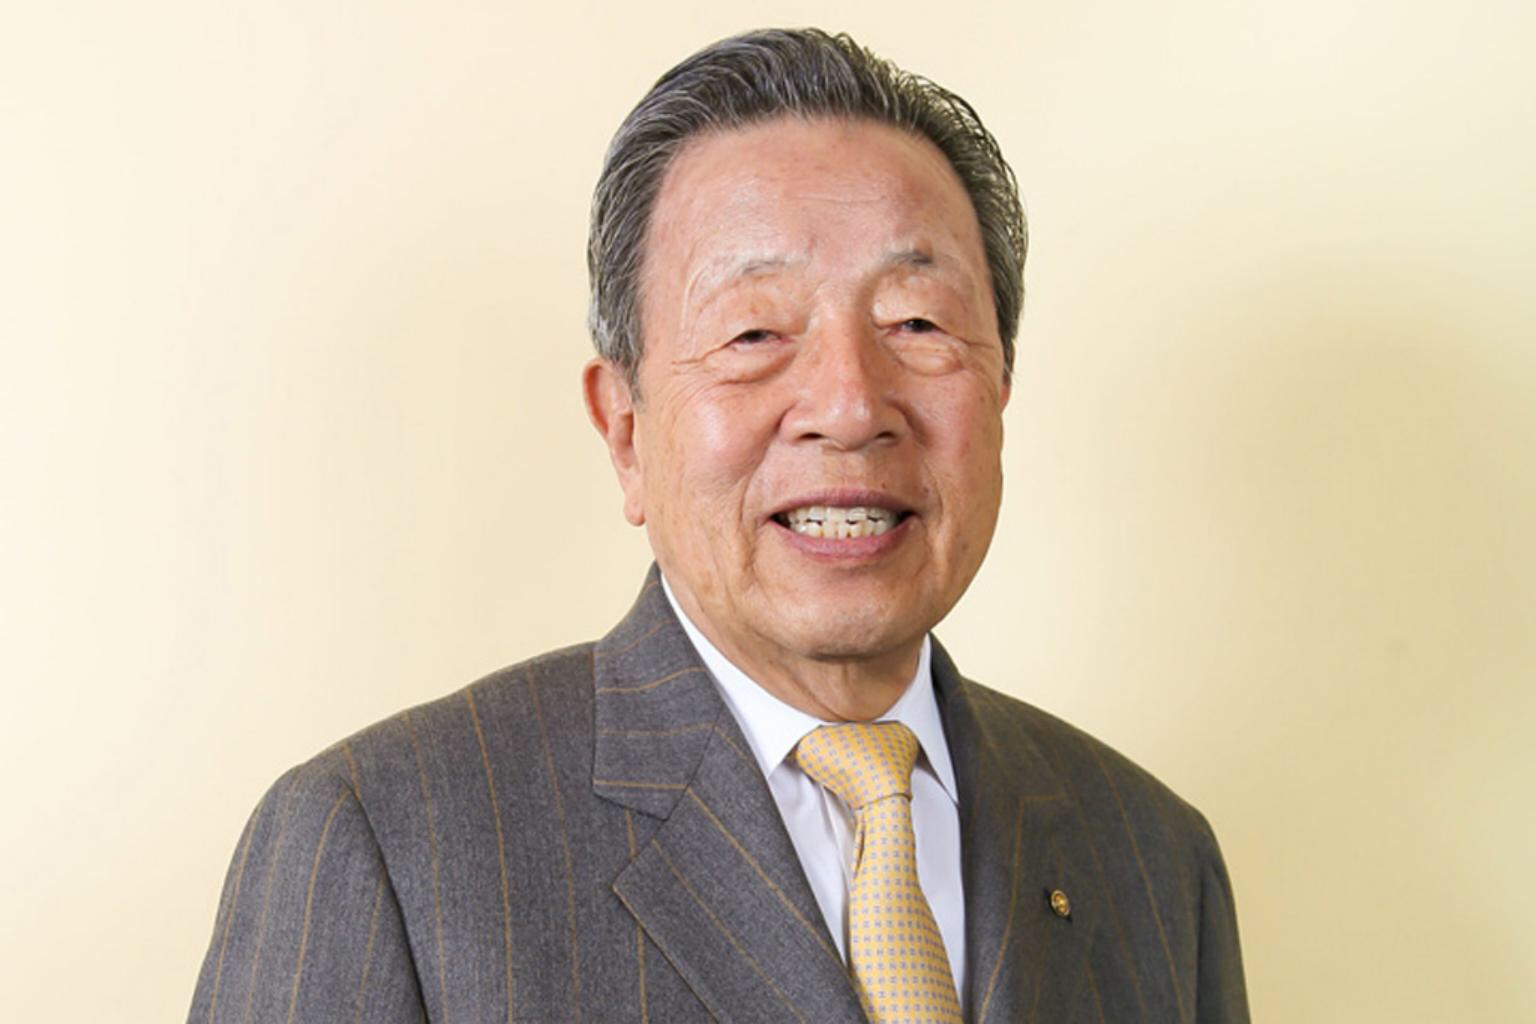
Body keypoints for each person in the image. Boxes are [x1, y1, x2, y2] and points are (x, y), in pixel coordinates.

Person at [189, 28, 1249, 1024]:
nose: (849, 405)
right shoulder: (383, 842)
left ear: (1001, 389)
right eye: (754, 333)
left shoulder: (1154, 855)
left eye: (917, 322)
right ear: (625, 428)